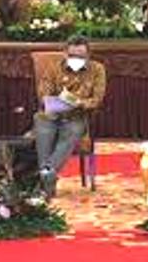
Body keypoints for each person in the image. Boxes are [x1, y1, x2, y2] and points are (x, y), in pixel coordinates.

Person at [35, 35, 106, 198]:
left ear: (88, 55)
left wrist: (79, 102)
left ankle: (44, 178)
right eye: (72, 55)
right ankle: (48, 179)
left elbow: (96, 100)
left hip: (77, 116)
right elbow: (44, 94)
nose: (76, 59)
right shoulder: (53, 68)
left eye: (81, 56)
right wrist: (57, 102)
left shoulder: (97, 69)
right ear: (65, 53)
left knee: (72, 131)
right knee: (42, 124)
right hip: (52, 113)